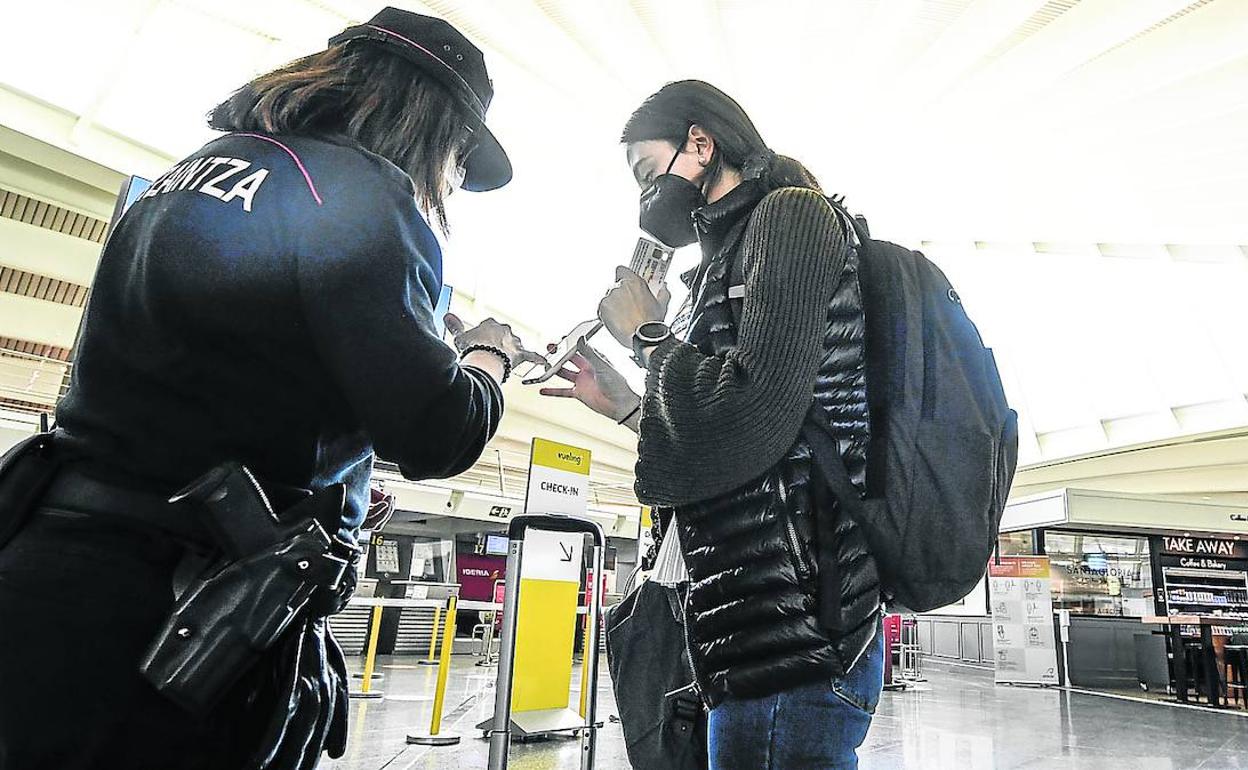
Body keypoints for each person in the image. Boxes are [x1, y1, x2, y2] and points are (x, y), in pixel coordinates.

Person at [0, 8, 541, 769]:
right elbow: (435, 433)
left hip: (51, 573)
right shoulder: (358, 191)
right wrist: (488, 355)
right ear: (428, 121)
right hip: (177, 626)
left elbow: (218, 379)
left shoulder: (186, 173)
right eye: (457, 157)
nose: (449, 180)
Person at [540, 80, 884, 769]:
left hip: (797, 634)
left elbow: (755, 413)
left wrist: (645, 334)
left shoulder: (792, 217)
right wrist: (629, 403)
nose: (645, 197)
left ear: (701, 143)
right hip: (750, 628)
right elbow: (728, 438)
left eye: (648, 172)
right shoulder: (725, 260)